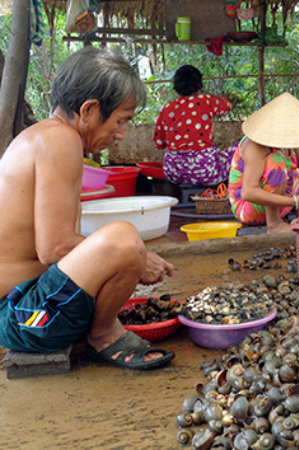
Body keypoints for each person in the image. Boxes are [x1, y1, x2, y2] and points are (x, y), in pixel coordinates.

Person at [0, 46, 175, 371]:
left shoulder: (42, 136)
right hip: (23, 315)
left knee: (121, 243)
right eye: (120, 121)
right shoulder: (60, 140)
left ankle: (97, 329)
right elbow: (54, 247)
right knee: (124, 240)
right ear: (89, 110)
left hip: (22, 310)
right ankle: (104, 335)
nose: (121, 134)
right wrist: (137, 258)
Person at [228, 92, 299, 233]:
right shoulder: (254, 146)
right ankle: (274, 224)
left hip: (282, 201)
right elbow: (248, 192)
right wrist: (296, 202)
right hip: (250, 207)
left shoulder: (289, 140)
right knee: (277, 163)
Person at [153, 65, 236, 186]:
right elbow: (227, 106)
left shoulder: (167, 109)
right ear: (199, 85)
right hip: (204, 173)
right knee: (243, 145)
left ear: (176, 86)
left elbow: (159, 143)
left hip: (173, 173)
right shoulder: (206, 101)